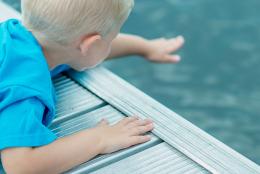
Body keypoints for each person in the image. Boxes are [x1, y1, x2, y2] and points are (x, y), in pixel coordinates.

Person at [0, 0, 185, 173]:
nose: (111, 44)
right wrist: (99, 139)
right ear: (90, 44)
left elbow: (87, 47)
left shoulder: (18, 37)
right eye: (110, 40)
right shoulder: (25, 90)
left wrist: (144, 47)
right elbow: (21, 166)